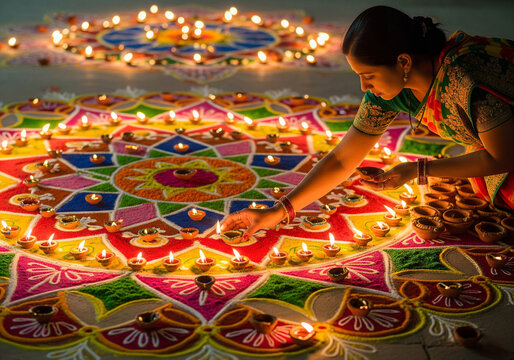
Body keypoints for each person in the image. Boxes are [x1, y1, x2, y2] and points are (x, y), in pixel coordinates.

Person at [221, 5, 514, 239]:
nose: (363, 87)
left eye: (368, 76)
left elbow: (504, 156)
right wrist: (278, 211)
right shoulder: (388, 93)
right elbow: (341, 160)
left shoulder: (464, 78)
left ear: (403, 62)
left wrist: (418, 169)